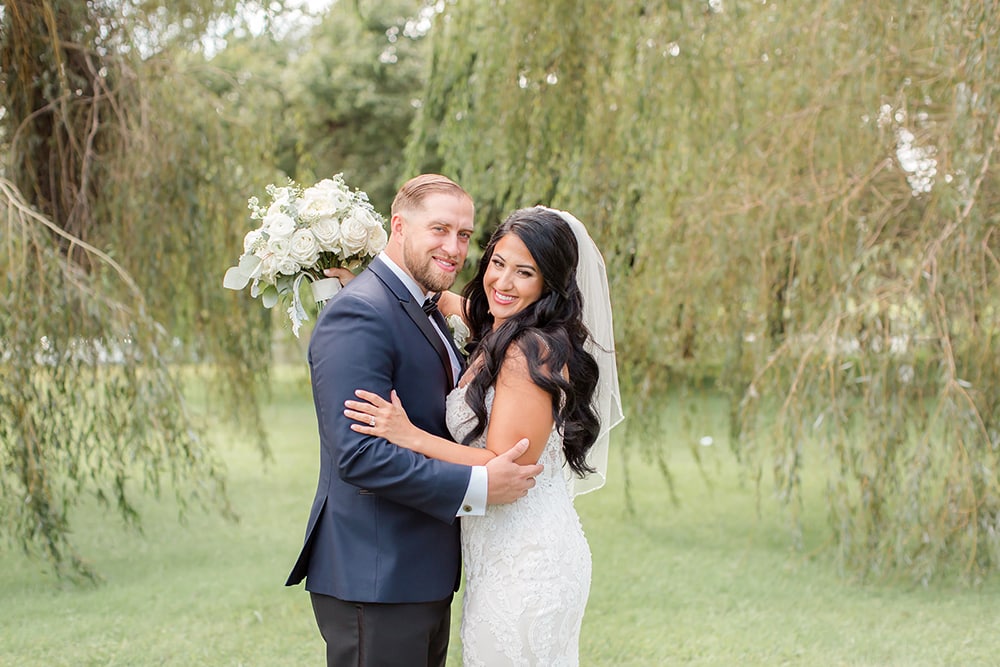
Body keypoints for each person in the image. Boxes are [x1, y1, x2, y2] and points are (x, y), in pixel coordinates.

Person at [344, 206, 624, 665]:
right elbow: (446, 300)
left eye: (524, 272)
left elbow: (505, 465)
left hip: (526, 559)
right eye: (498, 263)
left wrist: (410, 435)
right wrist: (361, 274)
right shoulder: (502, 327)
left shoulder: (529, 352)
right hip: (500, 549)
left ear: (549, 284)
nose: (503, 282)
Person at [285, 174, 544, 667]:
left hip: (420, 573)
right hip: (377, 576)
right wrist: (480, 484)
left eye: (465, 235)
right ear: (398, 226)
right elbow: (360, 457)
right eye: (440, 230)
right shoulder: (359, 313)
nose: (454, 247)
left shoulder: (418, 306)